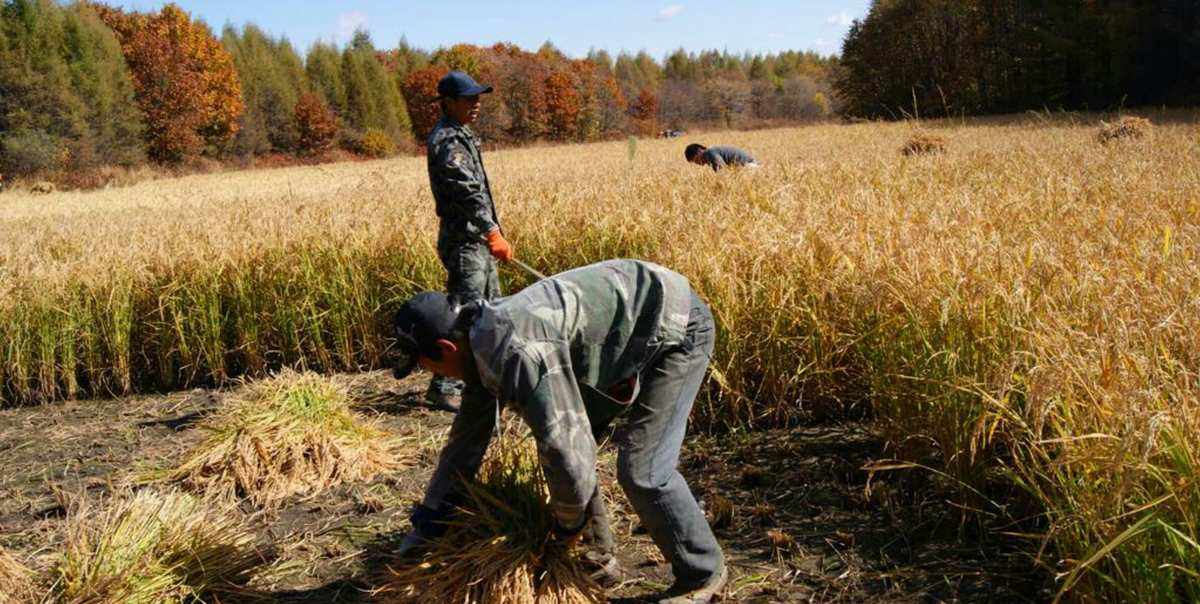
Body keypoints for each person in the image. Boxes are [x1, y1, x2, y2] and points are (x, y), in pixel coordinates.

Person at [391, 259, 727, 603]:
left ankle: (701, 573)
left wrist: (565, 528)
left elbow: (565, 449)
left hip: (675, 324)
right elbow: (465, 442)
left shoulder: (518, 352)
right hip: (616, 332)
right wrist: (430, 519)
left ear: (446, 349)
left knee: (643, 470)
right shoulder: (476, 344)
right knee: (574, 454)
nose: (428, 372)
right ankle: (597, 561)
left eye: (425, 365)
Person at [422, 70, 514, 412]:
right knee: (467, 313)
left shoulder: (462, 134)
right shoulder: (447, 139)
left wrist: (490, 232)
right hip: (465, 242)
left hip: (476, 240)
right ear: (448, 103)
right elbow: (466, 190)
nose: (476, 104)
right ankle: (443, 386)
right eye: (469, 99)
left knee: (492, 311)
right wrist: (492, 232)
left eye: (478, 98)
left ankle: (491, 380)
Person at [684, 143, 758, 172]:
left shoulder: (710, 153)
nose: (698, 163)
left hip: (749, 167)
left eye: (696, 160)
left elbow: (722, 171)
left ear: (699, 151)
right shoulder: (710, 153)